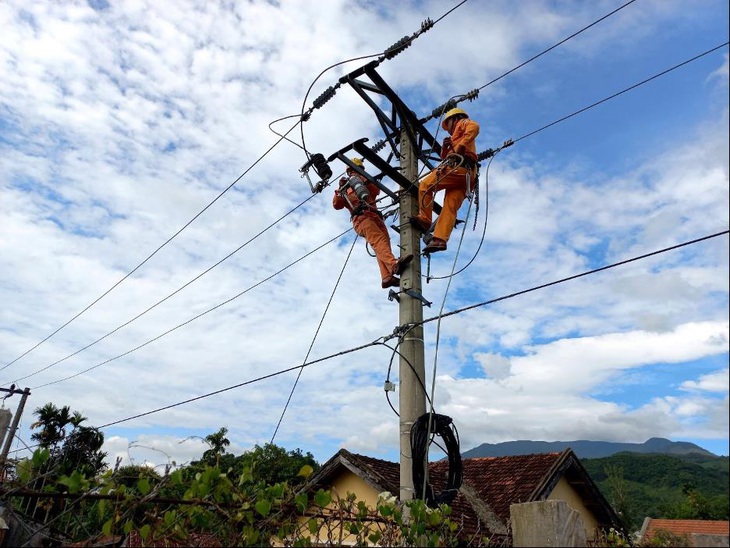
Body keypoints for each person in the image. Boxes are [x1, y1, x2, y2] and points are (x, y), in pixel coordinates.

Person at [333, 158, 413, 289]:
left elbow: (375, 191)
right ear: (349, 172)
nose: (355, 174)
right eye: (353, 171)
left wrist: (362, 179)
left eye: (357, 171)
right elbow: (337, 205)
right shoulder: (345, 189)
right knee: (379, 241)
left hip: (375, 216)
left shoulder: (366, 182)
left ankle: (386, 277)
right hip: (362, 218)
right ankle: (393, 264)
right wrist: (340, 189)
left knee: (383, 243)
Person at [410, 108, 480, 254]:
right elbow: (447, 157)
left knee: (425, 185)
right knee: (449, 207)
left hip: (458, 169)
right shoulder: (455, 138)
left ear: (453, 119)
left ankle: (424, 219)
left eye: (447, 124)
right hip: (467, 177)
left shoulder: (462, 122)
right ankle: (440, 240)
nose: (447, 129)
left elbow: (474, 126)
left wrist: (460, 145)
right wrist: (447, 147)